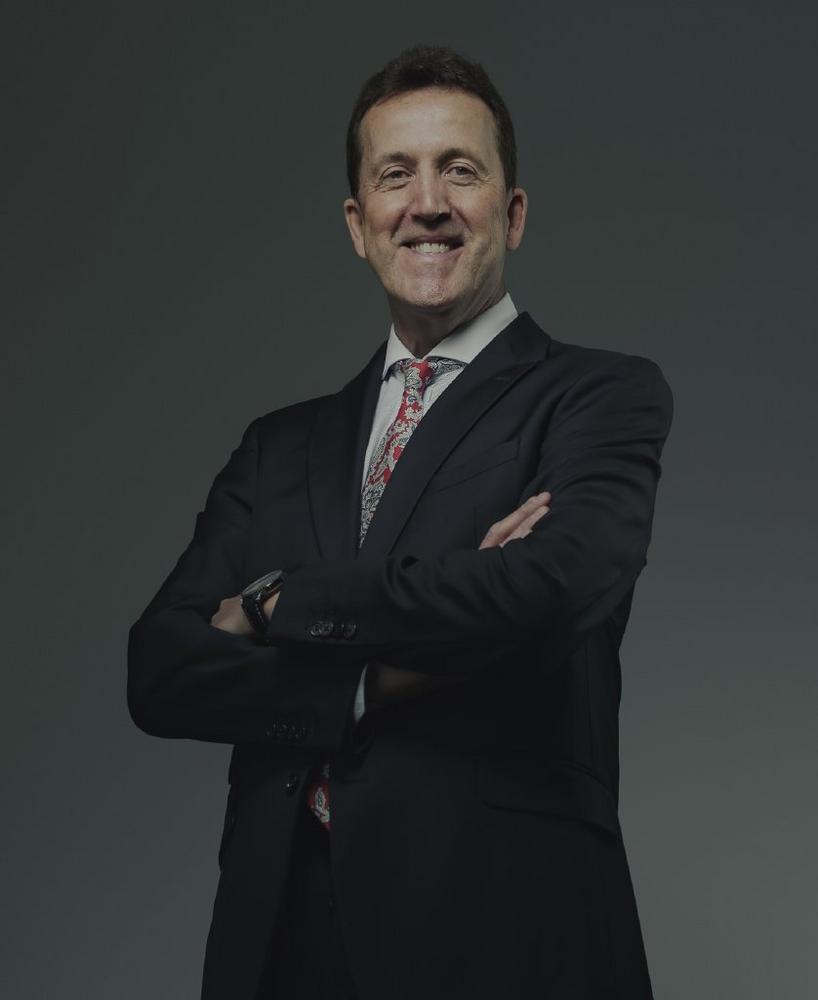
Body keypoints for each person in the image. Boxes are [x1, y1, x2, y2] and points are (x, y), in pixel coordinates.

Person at [127, 44, 673, 1000]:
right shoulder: (279, 446)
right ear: (358, 224)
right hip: (280, 941)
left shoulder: (597, 397)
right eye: (395, 175)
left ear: (513, 211)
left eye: (459, 170)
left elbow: (550, 588)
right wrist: (367, 686)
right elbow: (160, 669)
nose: (427, 203)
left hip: (505, 934)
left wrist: (274, 603)